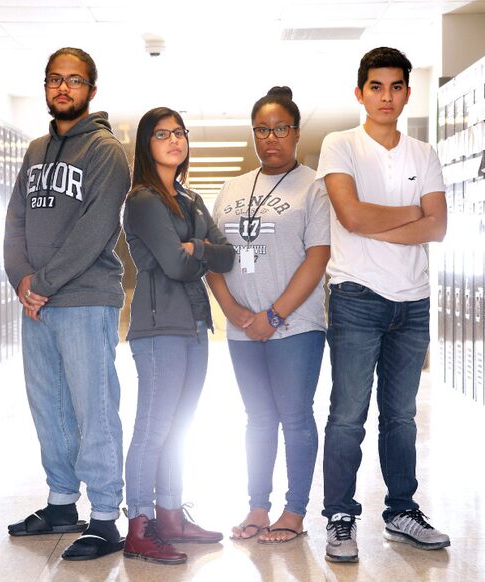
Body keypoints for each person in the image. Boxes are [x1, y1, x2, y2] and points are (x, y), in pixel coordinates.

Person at [316, 47, 450, 563]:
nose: (386, 96)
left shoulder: (424, 153)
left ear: (408, 94)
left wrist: (387, 220)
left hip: (412, 302)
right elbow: (350, 217)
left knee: (401, 415)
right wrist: (411, 216)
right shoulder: (340, 145)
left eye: (396, 87)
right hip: (356, 296)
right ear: (360, 93)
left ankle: (401, 511)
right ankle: (340, 517)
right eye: (376, 86)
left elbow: (437, 227)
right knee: (348, 414)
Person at [3, 47, 130, 561]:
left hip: (83, 300)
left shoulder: (105, 151)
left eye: (74, 81)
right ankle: (60, 504)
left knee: (92, 408)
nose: (63, 88)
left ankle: (104, 516)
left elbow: (95, 229)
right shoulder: (35, 149)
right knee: (48, 405)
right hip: (38, 303)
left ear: (91, 91)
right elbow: (13, 222)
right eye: (55, 79)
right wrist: (22, 280)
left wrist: (45, 283)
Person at [207, 87, 330, 545]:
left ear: (296, 133)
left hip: (296, 327)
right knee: (257, 418)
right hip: (242, 329)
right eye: (262, 129)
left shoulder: (314, 186)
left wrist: (272, 317)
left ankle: (294, 510)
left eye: (280, 129)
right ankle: (258, 504)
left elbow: (317, 258)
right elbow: (214, 259)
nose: (271, 138)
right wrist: (235, 312)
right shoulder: (232, 189)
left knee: (295, 416)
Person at [122, 107, 235, 565]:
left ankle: (170, 516)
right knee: (153, 427)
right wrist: (195, 253)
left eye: (180, 133)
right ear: (147, 144)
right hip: (157, 327)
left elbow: (226, 255)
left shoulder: (189, 198)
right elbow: (174, 264)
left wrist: (200, 249)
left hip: (193, 323)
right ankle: (140, 526)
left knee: (179, 428)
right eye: (162, 134)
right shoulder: (145, 199)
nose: (174, 140)